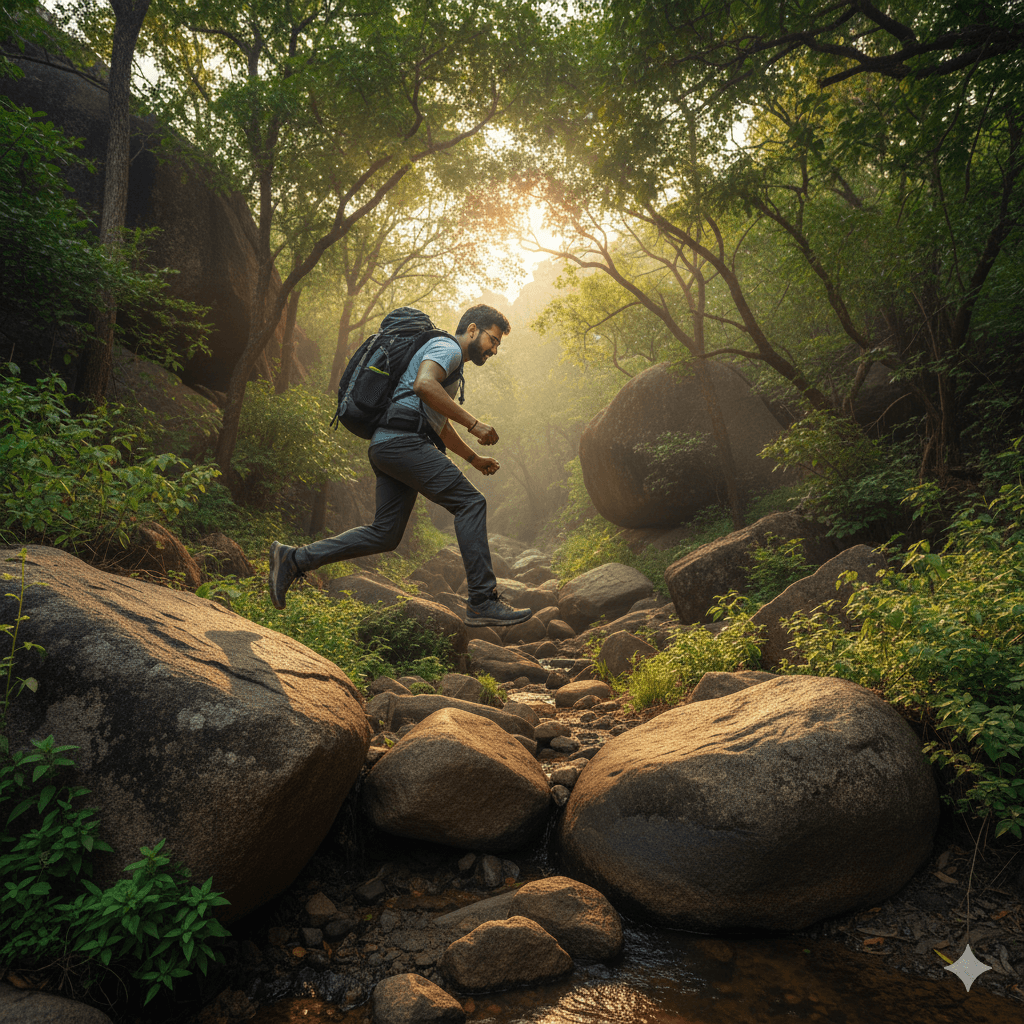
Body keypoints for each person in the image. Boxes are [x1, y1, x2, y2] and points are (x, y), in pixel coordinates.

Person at [267, 304, 532, 626]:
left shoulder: (448, 363)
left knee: (385, 534)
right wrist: (474, 424)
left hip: (390, 444)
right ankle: (482, 600)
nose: (494, 349)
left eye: (499, 344)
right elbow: (423, 385)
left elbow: (438, 423)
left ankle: (294, 558)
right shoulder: (447, 347)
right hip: (403, 443)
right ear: (473, 330)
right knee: (471, 503)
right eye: (494, 340)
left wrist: (473, 459)